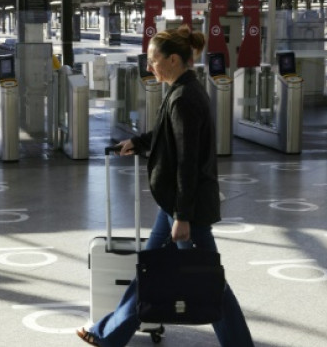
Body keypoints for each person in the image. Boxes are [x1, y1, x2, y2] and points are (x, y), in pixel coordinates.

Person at [77, 28, 254, 347]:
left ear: (173, 59)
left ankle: (240, 343)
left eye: (153, 59)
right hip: (174, 205)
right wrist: (136, 143)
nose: (149, 66)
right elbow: (165, 136)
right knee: (150, 268)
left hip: (187, 209)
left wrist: (183, 217)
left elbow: (187, 162)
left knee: (210, 281)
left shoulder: (185, 97)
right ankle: (109, 333)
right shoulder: (180, 90)